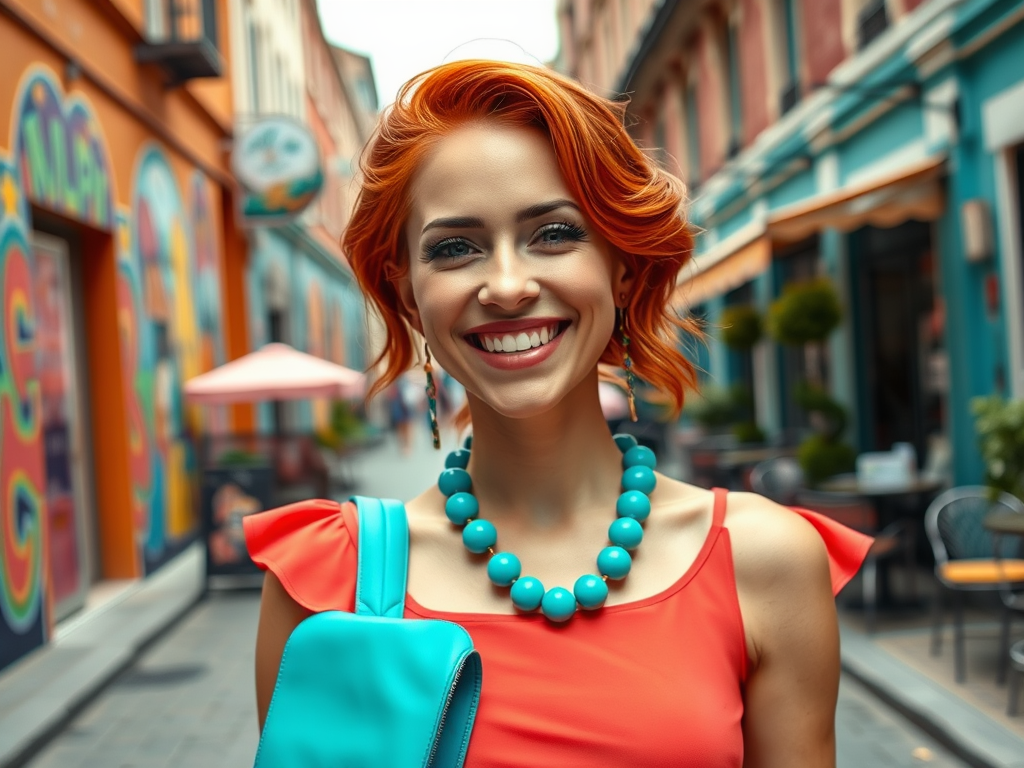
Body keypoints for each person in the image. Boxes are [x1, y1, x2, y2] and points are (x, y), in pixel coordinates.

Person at [244, 60, 872, 767]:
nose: (508, 286)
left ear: (622, 266)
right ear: (409, 292)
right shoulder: (327, 585)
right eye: (455, 248)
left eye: (554, 234)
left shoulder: (763, 560)